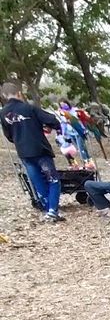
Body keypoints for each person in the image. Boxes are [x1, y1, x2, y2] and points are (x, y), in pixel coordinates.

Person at [1, 82, 65, 221]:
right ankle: (53, 211)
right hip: (39, 149)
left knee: (37, 181)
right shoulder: (29, 108)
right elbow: (52, 120)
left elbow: (8, 135)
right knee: (53, 179)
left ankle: (48, 209)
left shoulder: (3, 113)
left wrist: (18, 139)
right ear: (19, 93)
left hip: (23, 152)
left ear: (4, 96)